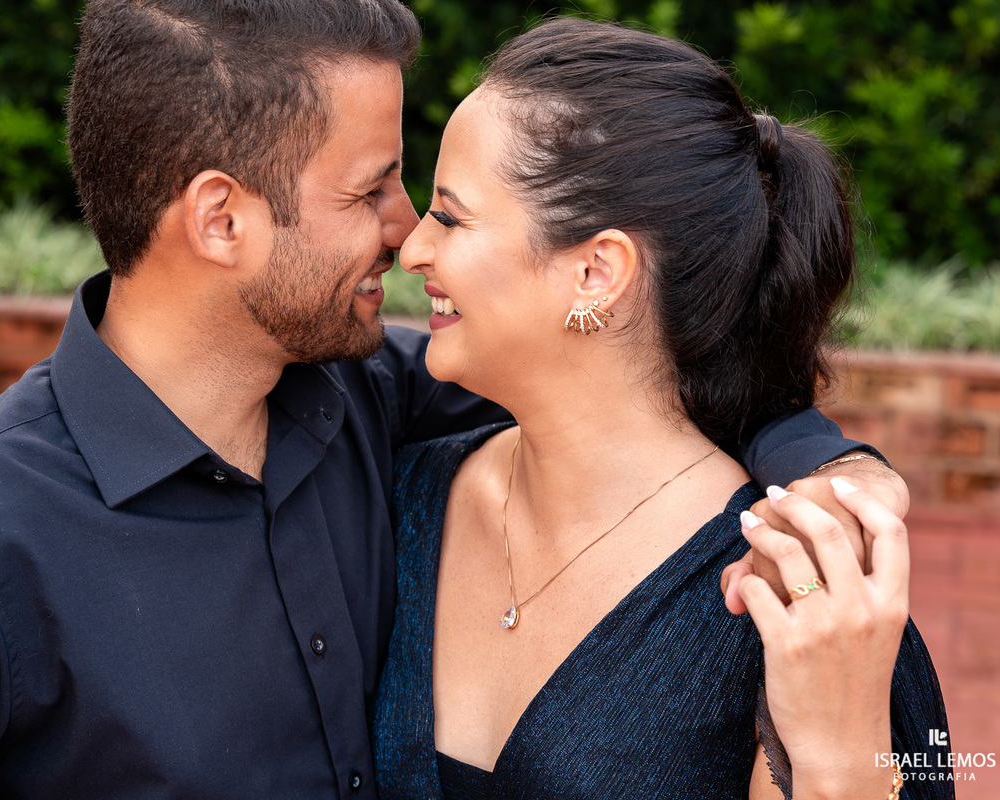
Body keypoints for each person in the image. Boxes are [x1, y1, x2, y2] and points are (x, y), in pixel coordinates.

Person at [0, 3, 908, 798]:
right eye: (374, 187)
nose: (405, 232)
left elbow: (621, 388)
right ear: (222, 220)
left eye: (430, 199)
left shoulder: (369, 407)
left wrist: (826, 463)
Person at [372, 18, 949, 800]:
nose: (412, 248)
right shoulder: (399, 497)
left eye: (451, 215)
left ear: (596, 271)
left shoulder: (793, 593)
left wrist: (838, 760)